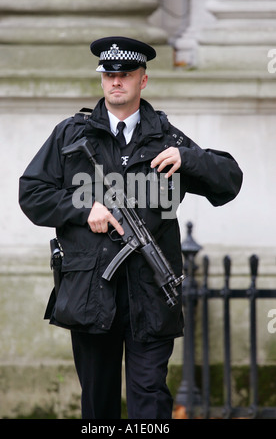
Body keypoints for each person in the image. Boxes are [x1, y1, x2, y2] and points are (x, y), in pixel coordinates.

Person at [19, 36, 243, 419]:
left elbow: (229, 181)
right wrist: (82, 209)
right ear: (102, 80)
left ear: (144, 80)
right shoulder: (72, 135)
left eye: (126, 74)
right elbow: (32, 193)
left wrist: (188, 159)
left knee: (151, 403)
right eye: (109, 75)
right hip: (91, 294)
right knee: (98, 406)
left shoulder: (166, 139)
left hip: (150, 296)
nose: (116, 82)